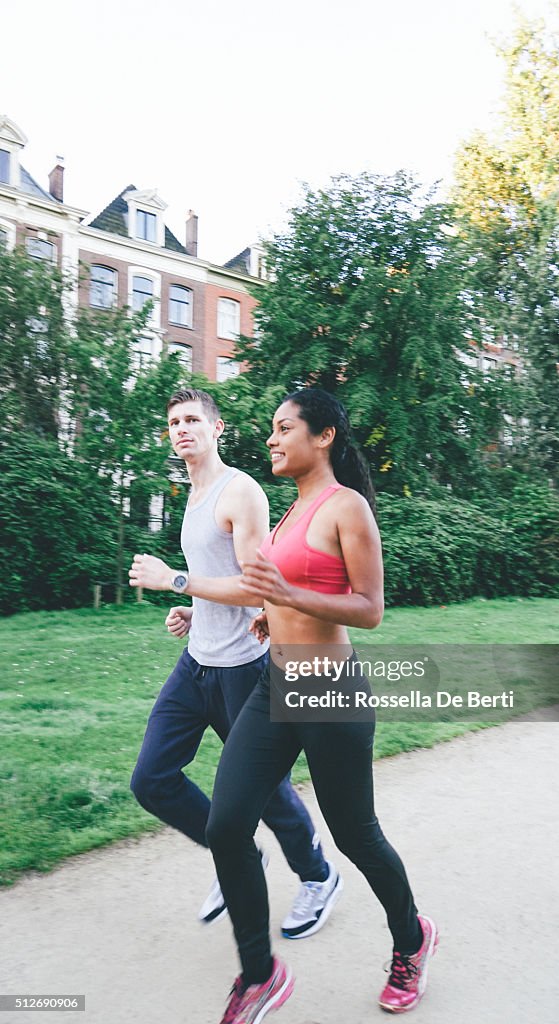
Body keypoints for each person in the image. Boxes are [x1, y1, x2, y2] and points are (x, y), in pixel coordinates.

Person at [205, 387, 437, 1023]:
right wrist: (270, 615)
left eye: (283, 429)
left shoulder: (346, 507)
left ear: (324, 435)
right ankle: (260, 974)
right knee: (225, 822)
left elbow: (370, 609)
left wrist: (290, 597)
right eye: (271, 431)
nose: (272, 440)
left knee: (356, 836)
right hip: (274, 685)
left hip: (330, 691)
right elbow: (292, 591)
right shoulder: (290, 512)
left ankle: (411, 940)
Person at [127, 388, 342, 938]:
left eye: (193, 419)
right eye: (174, 422)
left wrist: (173, 580)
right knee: (151, 779)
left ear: (217, 429)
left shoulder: (239, 491)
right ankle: (236, 854)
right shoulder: (193, 495)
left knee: (267, 791)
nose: (182, 428)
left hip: (243, 668)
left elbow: (257, 590)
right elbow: (216, 583)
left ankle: (317, 875)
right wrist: (193, 610)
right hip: (196, 663)